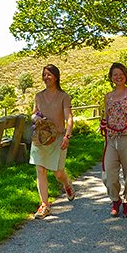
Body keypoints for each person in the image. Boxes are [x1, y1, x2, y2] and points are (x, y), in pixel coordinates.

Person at [30, 64, 75, 219]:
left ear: (56, 76)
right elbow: (33, 113)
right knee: (40, 170)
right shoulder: (38, 96)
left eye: (49, 74)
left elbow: (69, 118)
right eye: (44, 74)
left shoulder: (64, 96)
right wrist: (36, 118)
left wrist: (67, 136)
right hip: (40, 138)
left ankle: (67, 184)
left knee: (58, 172)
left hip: (58, 138)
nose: (46, 77)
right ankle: (44, 205)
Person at [101, 62, 127, 218]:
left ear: (126, 75)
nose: (118, 77)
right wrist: (103, 124)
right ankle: (114, 200)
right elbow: (106, 116)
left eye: (121, 73)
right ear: (111, 77)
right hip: (111, 138)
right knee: (109, 172)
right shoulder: (108, 96)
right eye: (115, 74)